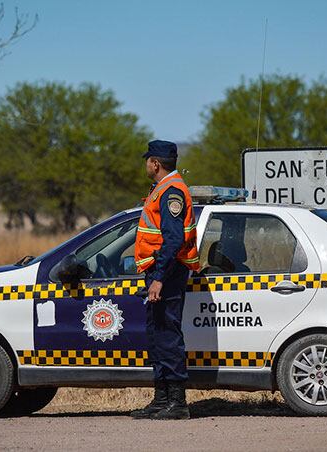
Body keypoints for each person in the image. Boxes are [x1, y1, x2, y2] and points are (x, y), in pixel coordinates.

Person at [130, 140, 200, 420]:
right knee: (157, 334)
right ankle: (161, 399)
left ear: (155, 164)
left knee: (168, 336)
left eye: (148, 160)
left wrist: (158, 278)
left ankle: (177, 403)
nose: (146, 164)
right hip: (160, 270)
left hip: (168, 272)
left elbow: (173, 239)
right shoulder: (162, 189)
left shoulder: (172, 191)